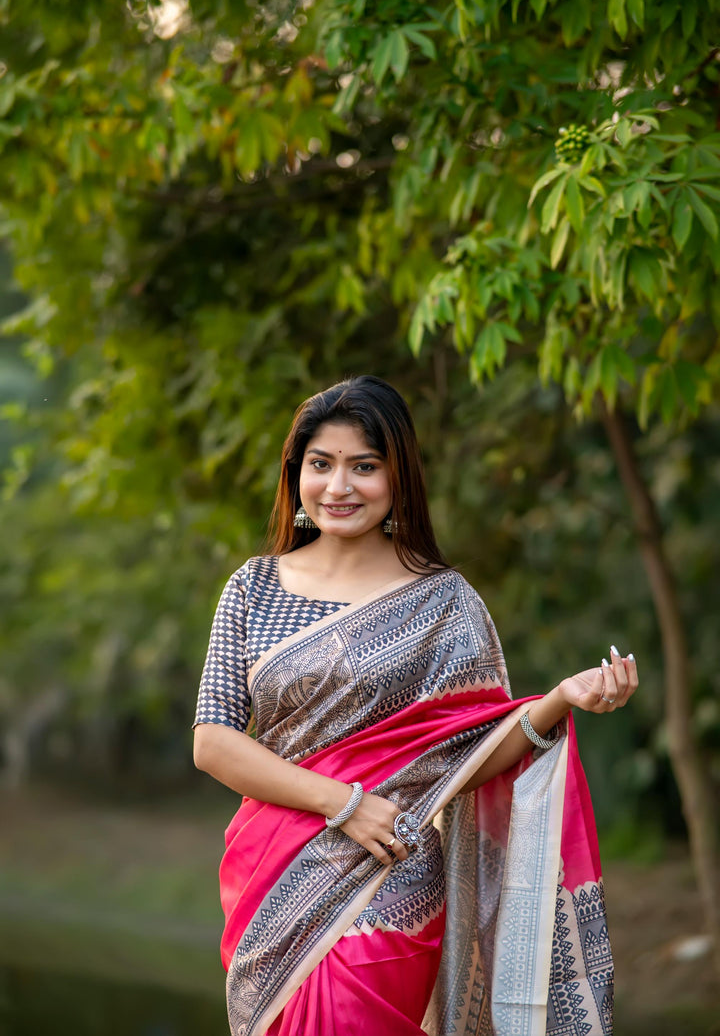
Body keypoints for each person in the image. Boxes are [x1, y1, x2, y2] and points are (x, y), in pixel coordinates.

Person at [193, 375, 638, 1036]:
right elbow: (212, 741)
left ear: (399, 478)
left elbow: (473, 752)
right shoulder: (253, 587)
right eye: (322, 465)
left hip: (388, 878)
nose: (339, 486)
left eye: (364, 467)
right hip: (271, 876)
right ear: (296, 475)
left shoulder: (443, 600)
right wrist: (341, 804)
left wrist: (558, 701)